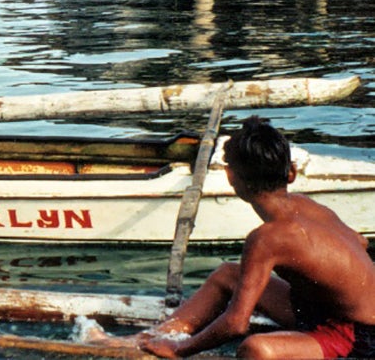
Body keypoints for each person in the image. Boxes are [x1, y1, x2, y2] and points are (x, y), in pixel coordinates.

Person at [86, 116, 375, 358]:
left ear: (231, 177)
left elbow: (236, 324)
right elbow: (359, 243)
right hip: (328, 313)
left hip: (359, 335)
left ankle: (167, 344)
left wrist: (182, 349)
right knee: (228, 275)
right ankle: (145, 339)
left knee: (256, 350)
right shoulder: (307, 206)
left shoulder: (266, 238)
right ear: (291, 174)